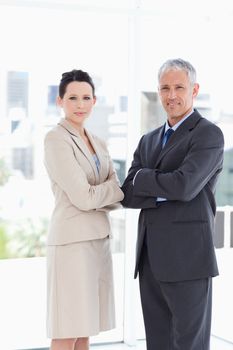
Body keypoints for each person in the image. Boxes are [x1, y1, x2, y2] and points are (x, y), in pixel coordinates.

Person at [121, 58, 224, 350]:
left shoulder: (208, 134)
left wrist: (145, 178)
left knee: (190, 344)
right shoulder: (148, 140)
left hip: (189, 260)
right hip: (150, 259)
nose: (172, 95)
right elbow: (128, 193)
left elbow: (185, 186)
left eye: (179, 87)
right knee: (158, 343)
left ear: (194, 89)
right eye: (165, 88)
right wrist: (162, 184)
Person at [44, 69, 124, 350]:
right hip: (72, 244)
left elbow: (112, 193)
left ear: (94, 101)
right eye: (73, 97)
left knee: (85, 329)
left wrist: (107, 191)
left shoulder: (98, 142)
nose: (80, 104)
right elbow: (85, 197)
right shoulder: (56, 139)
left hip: (98, 241)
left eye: (86, 97)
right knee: (68, 330)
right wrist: (112, 190)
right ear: (60, 101)